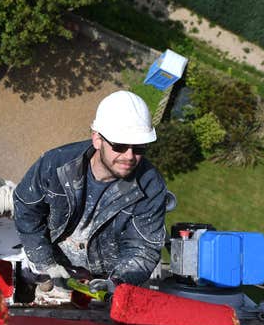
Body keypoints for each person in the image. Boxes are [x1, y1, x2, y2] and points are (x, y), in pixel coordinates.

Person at [13, 90, 167, 302]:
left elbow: (143, 248)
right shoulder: (56, 165)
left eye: (139, 148)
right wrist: (44, 262)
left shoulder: (150, 186)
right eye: (120, 146)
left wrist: (116, 283)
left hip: (105, 279)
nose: (129, 156)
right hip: (52, 263)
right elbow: (26, 207)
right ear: (97, 139)